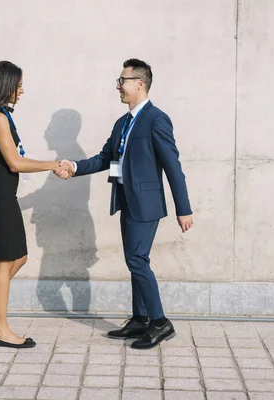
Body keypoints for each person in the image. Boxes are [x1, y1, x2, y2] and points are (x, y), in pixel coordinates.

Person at [56, 59, 194, 349]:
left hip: (147, 203)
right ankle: (139, 319)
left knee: (137, 260)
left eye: (122, 80)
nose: (118, 86)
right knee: (134, 260)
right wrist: (74, 166)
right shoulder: (123, 122)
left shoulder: (157, 119)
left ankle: (160, 323)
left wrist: (184, 208)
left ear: (139, 83)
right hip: (126, 200)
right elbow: (106, 158)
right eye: (118, 81)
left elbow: (173, 166)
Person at [0, 61, 69, 349]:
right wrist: (53, 164)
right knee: (4, 262)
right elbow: (15, 162)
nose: (22, 90)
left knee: (18, 258)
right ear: (5, 86)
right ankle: (1, 330)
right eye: (18, 85)